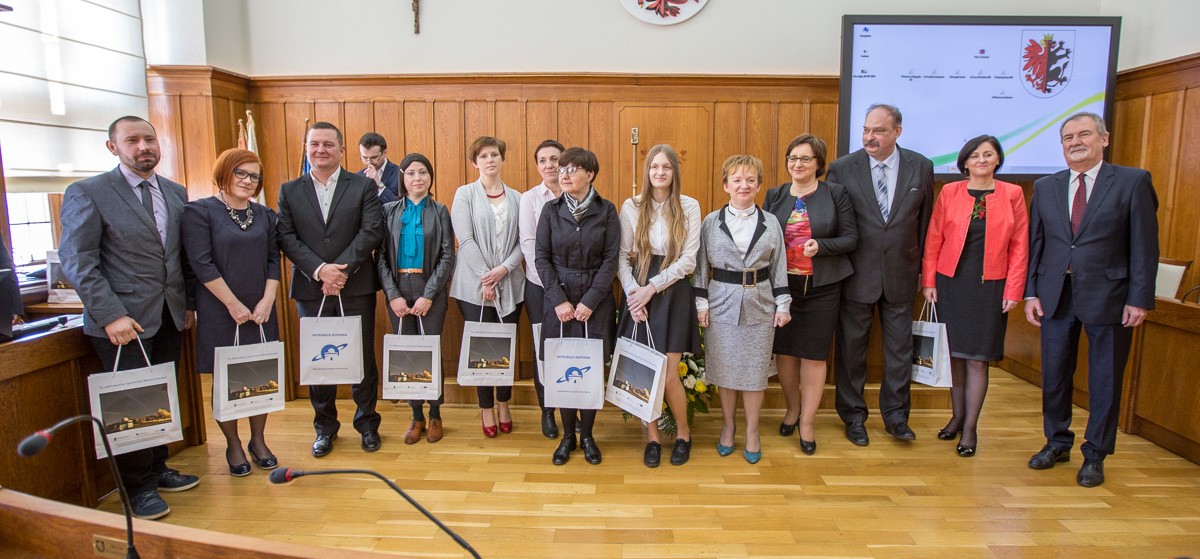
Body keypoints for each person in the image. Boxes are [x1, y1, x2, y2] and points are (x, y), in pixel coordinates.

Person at [58, 115, 200, 519]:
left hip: (169, 315)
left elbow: (181, 257)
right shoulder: (89, 192)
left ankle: (157, 468)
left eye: (149, 139)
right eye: (133, 140)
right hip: (122, 323)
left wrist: (188, 304)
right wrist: (111, 315)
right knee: (131, 403)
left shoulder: (174, 192)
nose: (143, 147)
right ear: (113, 147)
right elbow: (78, 260)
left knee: (160, 396)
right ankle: (137, 488)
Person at [1024, 112, 1158, 487]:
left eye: (1084, 134)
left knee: (1104, 380)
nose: (1075, 142)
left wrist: (1139, 298)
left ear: (1104, 139)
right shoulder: (1046, 186)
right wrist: (1031, 291)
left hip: (1110, 296)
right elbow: (1037, 243)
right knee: (1054, 376)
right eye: (1068, 137)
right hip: (1055, 295)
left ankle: (1096, 453)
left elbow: (1145, 245)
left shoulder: (1132, 182)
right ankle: (1056, 442)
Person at [825, 103, 933, 446]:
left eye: (879, 131)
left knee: (900, 351)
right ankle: (853, 417)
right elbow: (833, 220)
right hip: (856, 274)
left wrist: (924, 271)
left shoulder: (921, 166)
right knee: (852, 351)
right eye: (866, 130)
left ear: (897, 132)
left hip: (902, 274)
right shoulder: (842, 168)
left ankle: (897, 418)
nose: (869, 137)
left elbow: (926, 223)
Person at [276, 121, 385, 458]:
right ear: (307, 148)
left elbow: (371, 231)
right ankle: (325, 428)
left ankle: (367, 425)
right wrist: (320, 270)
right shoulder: (289, 190)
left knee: (361, 358)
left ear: (341, 150)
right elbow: (286, 237)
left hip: (355, 286)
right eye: (314, 144)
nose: (320, 150)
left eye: (327, 144)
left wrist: (340, 270)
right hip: (312, 288)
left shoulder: (362, 186)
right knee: (319, 360)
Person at [921, 135, 1028, 458]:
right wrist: (929, 281)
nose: (981, 160)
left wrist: (1014, 290)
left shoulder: (1013, 194)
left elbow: (1020, 246)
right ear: (965, 162)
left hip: (990, 287)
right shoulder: (950, 192)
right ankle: (956, 417)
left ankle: (970, 429)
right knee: (954, 357)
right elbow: (934, 239)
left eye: (988, 154)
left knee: (977, 360)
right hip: (951, 283)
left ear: (998, 160)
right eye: (975, 155)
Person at [181, 148, 281, 476]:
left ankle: (258, 440)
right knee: (226, 377)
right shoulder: (199, 212)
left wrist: (268, 300)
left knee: (259, 374)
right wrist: (232, 304)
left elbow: (273, 260)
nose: (248, 181)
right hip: (219, 307)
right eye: (241, 173)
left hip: (260, 308)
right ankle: (233, 444)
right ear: (224, 172)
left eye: (254, 176)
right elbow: (201, 263)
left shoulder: (264, 215)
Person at [763, 134, 858, 456]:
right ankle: (792, 409)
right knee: (785, 354)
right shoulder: (775, 195)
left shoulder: (835, 194)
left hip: (823, 288)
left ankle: (807, 422)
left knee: (814, 356)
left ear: (818, 163)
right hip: (782, 289)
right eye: (793, 158)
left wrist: (822, 246)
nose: (797, 164)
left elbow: (851, 238)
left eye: (805, 159)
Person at [695, 155, 791, 464]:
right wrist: (701, 302)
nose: (743, 185)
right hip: (720, 304)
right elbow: (700, 266)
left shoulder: (770, 222)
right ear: (726, 185)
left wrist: (783, 303)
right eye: (736, 180)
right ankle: (728, 426)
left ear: (759, 185)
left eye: (750, 180)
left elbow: (779, 266)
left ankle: (752, 431)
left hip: (760, 303)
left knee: (754, 371)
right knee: (725, 370)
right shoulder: (711, 222)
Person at [616, 144, 702, 467]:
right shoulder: (632, 206)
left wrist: (651, 288)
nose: (660, 172)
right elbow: (622, 257)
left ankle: (683, 434)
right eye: (655, 167)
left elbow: (689, 261)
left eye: (666, 167)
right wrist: (633, 295)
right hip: (638, 286)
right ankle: (652, 438)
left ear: (674, 171)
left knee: (667, 374)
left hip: (672, 290)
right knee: (643, 369)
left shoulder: (689, 206)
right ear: (647, 171)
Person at [536, 146, 620, 466]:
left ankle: (587, 435)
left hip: (595, 300)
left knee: (589, 369)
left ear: (590, 174)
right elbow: (541, 258)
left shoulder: (607, 210)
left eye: (572, 169)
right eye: (562, 169)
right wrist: (558, 300)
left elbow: (611, 260)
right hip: (558, 300)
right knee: (562, 369)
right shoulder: (550, 210)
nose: (564, 174)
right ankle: (567, 436)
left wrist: (590, 301)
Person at [448, 136, 525, 438]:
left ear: (502, 159)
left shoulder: (518, 197)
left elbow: (522, 242)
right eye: (483, 156)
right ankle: (486, 408)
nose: (490, 160)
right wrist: (486, 278)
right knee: (481, 349)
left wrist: (503, 270)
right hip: (473, 286)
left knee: (504, 348)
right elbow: (465, 239)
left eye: (494, 154)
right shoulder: (465, 194)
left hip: (511, 284)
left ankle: (504, 404)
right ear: (474, 162)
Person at [376, 153, 455, 445]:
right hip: (398, 289)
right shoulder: (388, 211)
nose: (417, 178)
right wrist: (392, 295)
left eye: (423, 172)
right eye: (410, 173)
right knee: (406, 354)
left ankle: (434, 414)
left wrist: (429, 295)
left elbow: (447, 255)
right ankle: (416, 415)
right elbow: (380, 256)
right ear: (403, 178)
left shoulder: (440, 210)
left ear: (430, 177)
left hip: (429, 289)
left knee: (430, 351)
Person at [518, 139, 569, 439]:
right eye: (542, 160)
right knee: (543, 350)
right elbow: (528, 245)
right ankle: (547, 410)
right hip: (539, 287)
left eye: (555, 159)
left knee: (571, 349)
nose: (549, 165)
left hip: (574, 289)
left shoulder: (578, 193)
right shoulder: (530, 199)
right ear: (537, 166)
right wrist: (554, 286)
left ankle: (573, 408)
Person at [358, 132, 399, 203]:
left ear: (385, 153)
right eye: (364, 157)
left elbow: (400, 206)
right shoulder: (358, 176)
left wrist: (379, 184)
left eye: (374, 157)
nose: (368, 162)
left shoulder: (399, 174)